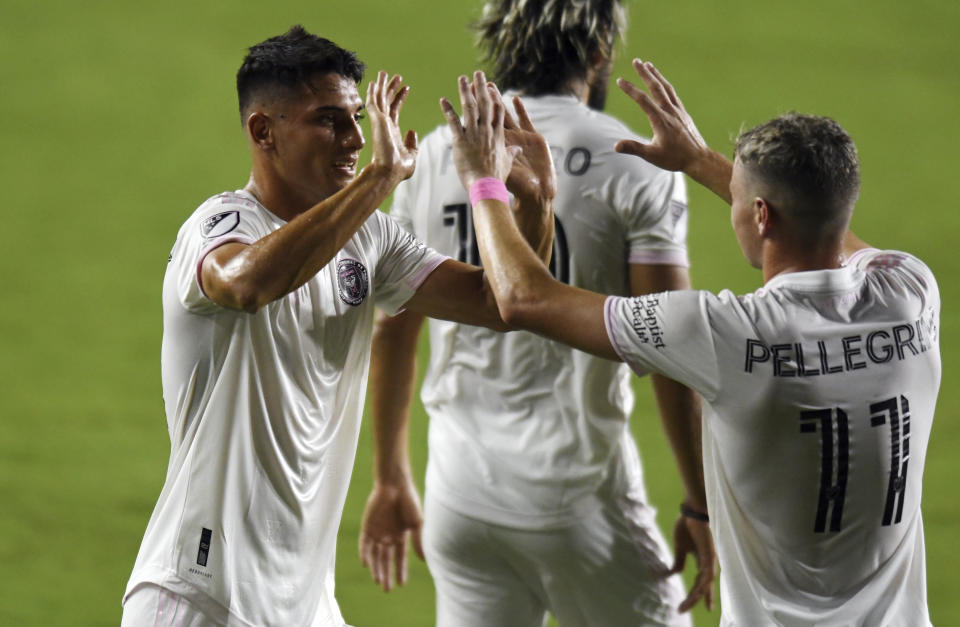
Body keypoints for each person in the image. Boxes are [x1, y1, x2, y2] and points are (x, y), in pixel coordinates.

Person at [443, 62, 940, 625]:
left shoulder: (724, 334)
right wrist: (699, 161)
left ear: (759, 215)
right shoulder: (911, 291)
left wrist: (483, 181)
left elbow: (523, 299)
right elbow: (820, 218)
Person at [120, 26, 556, 627]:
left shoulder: (371, 239)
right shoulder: (219, 224)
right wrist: (379, 178)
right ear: (262, 131)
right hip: (201, 593)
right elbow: (245, 284)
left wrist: (531, 202)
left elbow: (503, 303)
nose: (354, 138)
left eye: (357, 117)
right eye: (329, 120)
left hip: (306, 605)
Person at [359, 2, 714, 626]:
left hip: (458, 495)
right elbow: (671, 344)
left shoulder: (441, 153)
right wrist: (700, 504)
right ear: (599, 51)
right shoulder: (637, 157)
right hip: (579, 496)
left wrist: (390, 475)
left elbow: (394, 326)